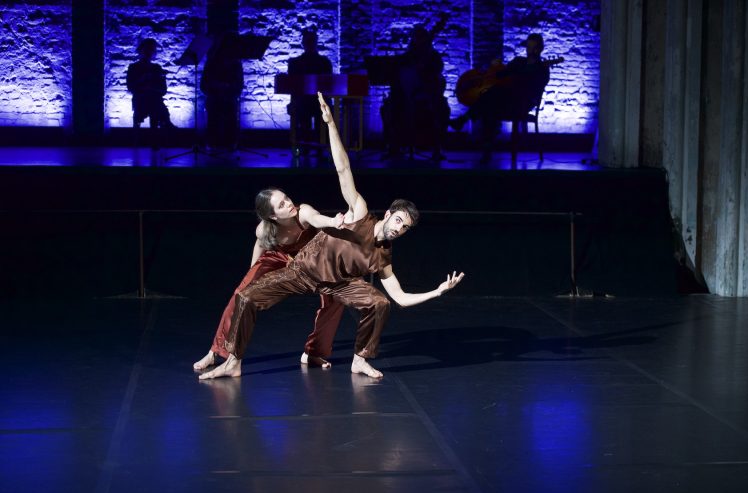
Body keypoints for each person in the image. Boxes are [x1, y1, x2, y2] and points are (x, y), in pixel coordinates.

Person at [199, 91, 464, 380]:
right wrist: (330, 124)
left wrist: (438, 291)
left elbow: (400, 298)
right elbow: (343, 168)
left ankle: (359, 359)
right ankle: (233, 362)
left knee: (380, 302)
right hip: (302, 272)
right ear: (388, 214)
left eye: (405, 228)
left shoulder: (383, 256)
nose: (399, 229)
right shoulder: (360, 212)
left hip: (339, 285)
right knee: (246, 297)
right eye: (398, 220)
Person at [194, 188, 346, 372]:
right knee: (241, 295)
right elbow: (260, 244)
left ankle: (314, 352)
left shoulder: (303, 212)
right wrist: (251, 274)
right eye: (281, 205)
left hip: (311, 259)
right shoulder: (263, 229)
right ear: (273, 216)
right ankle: (216, 351)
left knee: (336, 296)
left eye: (287, 198)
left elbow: (316, 218)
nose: (289, 204)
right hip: (279, 257)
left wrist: (333, 221)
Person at [450, 33, 551, 161]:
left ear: (541, 49)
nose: (530, 51)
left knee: (492, 97)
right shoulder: (518, 61)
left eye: (534, 48)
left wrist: (527, 74)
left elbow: (534, 90)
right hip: (505, 100)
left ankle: (465, 121)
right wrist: (494, 66)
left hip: (522, 104)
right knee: (490, 104)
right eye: (528, 47)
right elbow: (501, 74)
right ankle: (486, 148)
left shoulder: (542, 69)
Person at [381, 25, 449, 159]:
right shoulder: (407, 57)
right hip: (407, 96)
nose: (418, 42)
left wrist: (424, 71)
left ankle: (437, 148)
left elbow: (437, 77)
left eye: (421, 38)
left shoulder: (434, 57)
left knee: (442, 110)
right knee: (387, 108)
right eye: (415, 39)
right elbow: (397, 74)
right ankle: (393, 145)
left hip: (427, 95)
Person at [287, 30, 333, 154]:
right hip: (314, 102)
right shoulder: (324, 62)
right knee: (315, 116)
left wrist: (293, 102)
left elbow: (292, 88)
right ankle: (318, 148)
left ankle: (306, 148)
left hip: (304, 102)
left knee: (305, 119)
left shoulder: (295, 63)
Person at [201, 32, 244, 149]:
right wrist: (219, 86)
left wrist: (228, 87)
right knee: (216, 111)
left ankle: (228, 142)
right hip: (216, 95)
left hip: (228, 95)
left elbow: (239, 84)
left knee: (229, 109)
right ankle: (215, 142)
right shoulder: (212, 61)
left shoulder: (235, 63)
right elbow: (204, 85)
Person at [126, 38, 175, 130]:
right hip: (141, 101)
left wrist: (153, 85)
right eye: (147, 49)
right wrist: (143, 79)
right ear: (141, 50)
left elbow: (163, 90)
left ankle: (163, 125)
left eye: (151, 50)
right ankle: (166, 123)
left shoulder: (157, 68)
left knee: (155, 103)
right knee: (156, 105)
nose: (149, 52)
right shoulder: (133, 67)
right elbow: (130, 87)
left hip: (154, 101)